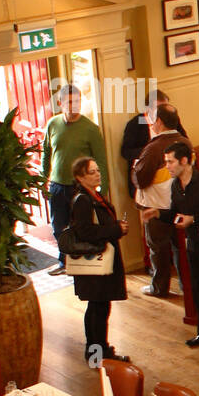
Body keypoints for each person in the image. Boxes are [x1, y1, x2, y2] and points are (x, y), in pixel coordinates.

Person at [40, 84, 109, 276]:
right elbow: (46, 154)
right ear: (61, 103)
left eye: (77, 101)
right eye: (70, 102)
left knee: (80, 228)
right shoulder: (52, 124)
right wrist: (42, 180)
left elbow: (101, 161)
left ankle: (81, 266)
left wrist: (101, 191)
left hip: (80, 190)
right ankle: (64, 263)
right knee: (58, 227)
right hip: (57, 186)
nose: (74, 106)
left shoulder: (91, 129)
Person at [67, 156, 129, 364]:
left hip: (101, 265)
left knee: (100, 308)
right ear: (80, 177)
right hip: (94, 267)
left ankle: (100, 350)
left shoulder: (94, 195)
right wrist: (116, 229)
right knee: (97, 309)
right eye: (91, 172)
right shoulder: (83, 200)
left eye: (97, 170)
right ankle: (96, 354)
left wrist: (115, 226)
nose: (97, 174)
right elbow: (84, 231)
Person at [160, 140, 199, 346]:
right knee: (198, 288)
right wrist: (156, 213)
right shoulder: (176, 185)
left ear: (184, 161)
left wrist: (192, 219)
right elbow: (176, 212)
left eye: (170, 161)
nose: (167, 166)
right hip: (192, 243)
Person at [132, 103, 186, 297]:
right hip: (180, 205)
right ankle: (185, 286)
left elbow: (140, 179)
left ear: (159, 122)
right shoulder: (184, 141)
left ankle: (159, 287)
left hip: (157, 207)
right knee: (180, 248)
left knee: (158, 249)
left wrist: (135, 167)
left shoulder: (154, 148)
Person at [121, 89, 167, 195]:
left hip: (167, 174)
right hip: (144, 176)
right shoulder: (135, 124)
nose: (163, 112)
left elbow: (183, 138)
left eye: (165, 108)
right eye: (159, 108)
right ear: (148, 108)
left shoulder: (170, 119)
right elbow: (126, 152)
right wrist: (150, 152)